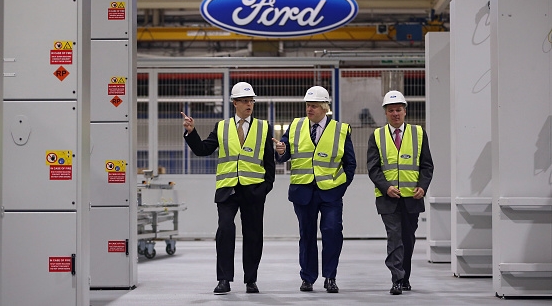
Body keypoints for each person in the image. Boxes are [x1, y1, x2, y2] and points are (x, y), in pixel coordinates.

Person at [181, 81, 275, 295]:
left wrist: (266, 186)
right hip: (227, 189)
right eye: (244, 100)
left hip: (253, 190)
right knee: (225, 231)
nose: (249, 104)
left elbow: (269, 162)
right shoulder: (221, 126)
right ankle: (224, 279)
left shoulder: (263, 127)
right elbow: (203, 150)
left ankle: (251, 279)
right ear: (234, 103)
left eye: (251, 100)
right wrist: (191, 132)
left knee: (253, 235)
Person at [273, 85, 356, 293]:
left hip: (331, 192)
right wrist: (280, 151)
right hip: (303, 192)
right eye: (308, 105)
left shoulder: (340, 129)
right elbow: (283, 152)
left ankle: (330, 277)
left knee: (332, 233)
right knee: (307, 235)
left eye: (314, 106)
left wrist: (341, 187)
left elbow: (350, 163)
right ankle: (308, 278)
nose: (309, 109)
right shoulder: (295, 126)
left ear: (325, 107)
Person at [366, 90, 434, 295]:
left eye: (398, 110)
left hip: (412, 198)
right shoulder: (376, 136)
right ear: (385, 113)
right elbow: (373, 168)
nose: (395, 113)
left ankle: (405, 277)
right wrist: (386, 187)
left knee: (408, 238)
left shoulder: (419, 133)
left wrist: (423, 186)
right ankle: (397, 279)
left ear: (405, 111)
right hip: (388, 198)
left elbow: (427, 165)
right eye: (391, 110)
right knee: (394, 237)